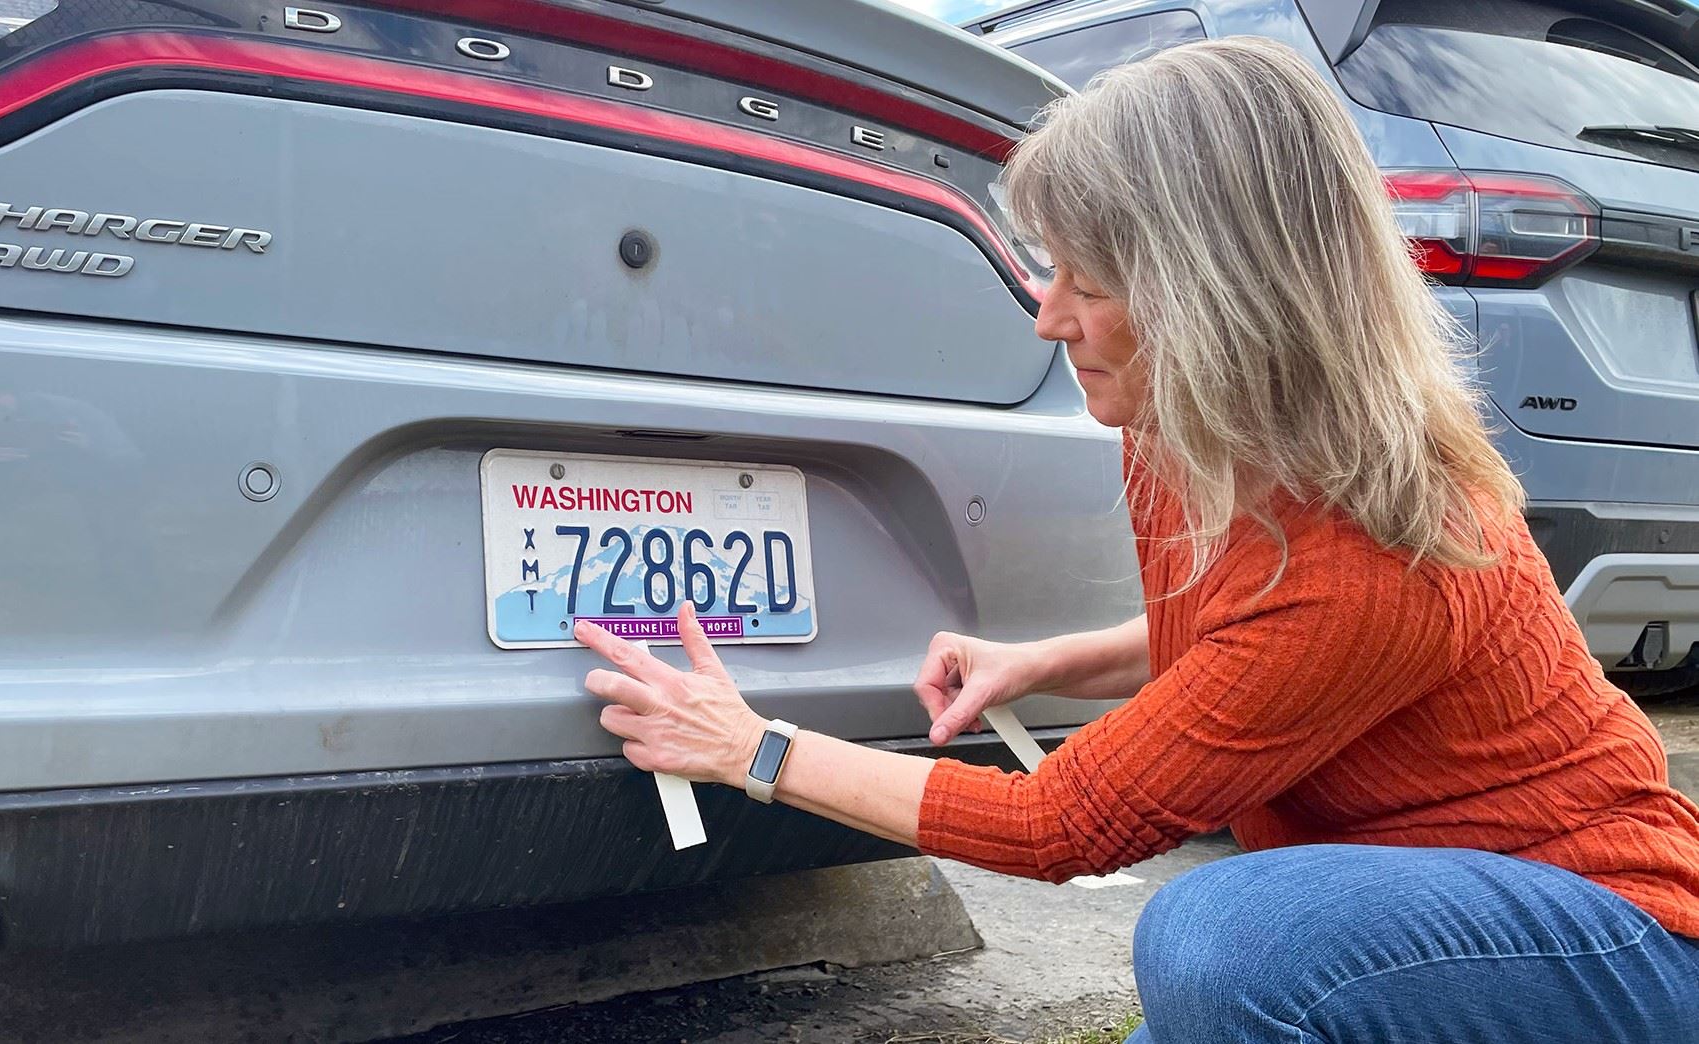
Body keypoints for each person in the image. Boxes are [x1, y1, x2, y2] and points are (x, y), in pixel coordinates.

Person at [574, 37, 1699, 1042]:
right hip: (1403, 922)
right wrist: (1051, 662)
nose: (1049, 315)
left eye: (1090, 280)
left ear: (1214, 297)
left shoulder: (1374, 550)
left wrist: (752, 751)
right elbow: (1245, 650)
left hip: (1611, 937)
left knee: (1225, 945)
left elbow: (1062, 824)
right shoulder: (1178, 421)